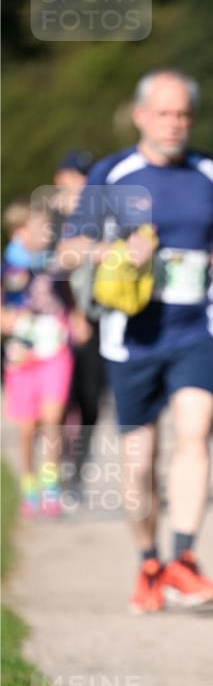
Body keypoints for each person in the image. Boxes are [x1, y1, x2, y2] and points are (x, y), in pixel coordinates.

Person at [57, 69, 213, 614]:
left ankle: (184, 558)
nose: (175, 123)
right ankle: (149, 561)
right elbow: (69, 252)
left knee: (195, 434)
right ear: (140, 116)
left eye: (183, 113)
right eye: (164, 113)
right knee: (139, 462)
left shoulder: (209, 169)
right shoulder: (112, 173)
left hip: (197, 327)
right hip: (132, 334)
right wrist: (115, 254)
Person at [1, 199, 75, 517]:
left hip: (56, 351)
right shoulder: (8, 266)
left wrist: (76, 318)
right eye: (38, 229)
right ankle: (29, 484)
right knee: (28, 428)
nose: (45, 234)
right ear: (21, 232)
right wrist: (15, 323)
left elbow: (68, 294)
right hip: (21, 356)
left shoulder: (54, 263)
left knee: (52, 421)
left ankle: (51, 487)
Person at [51, 150, 107, 489]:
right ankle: (51, 475)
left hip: (96, 316)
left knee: (89, 402)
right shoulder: (49, 218)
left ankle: (76, 472)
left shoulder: (99, 217)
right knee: (56, 407)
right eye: (75, 176)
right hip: (60, 322)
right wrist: (73, 314)